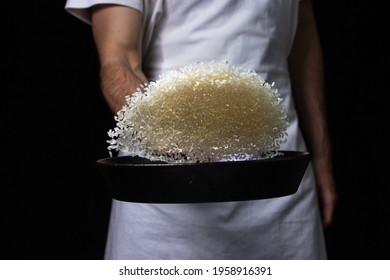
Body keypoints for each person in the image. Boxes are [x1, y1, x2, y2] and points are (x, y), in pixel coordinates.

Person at [65, 0, 337, 259]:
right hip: (166, 191)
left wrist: (322, 158)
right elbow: (119, 61)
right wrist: (169, 140)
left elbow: (304, 42)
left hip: (283, 183)